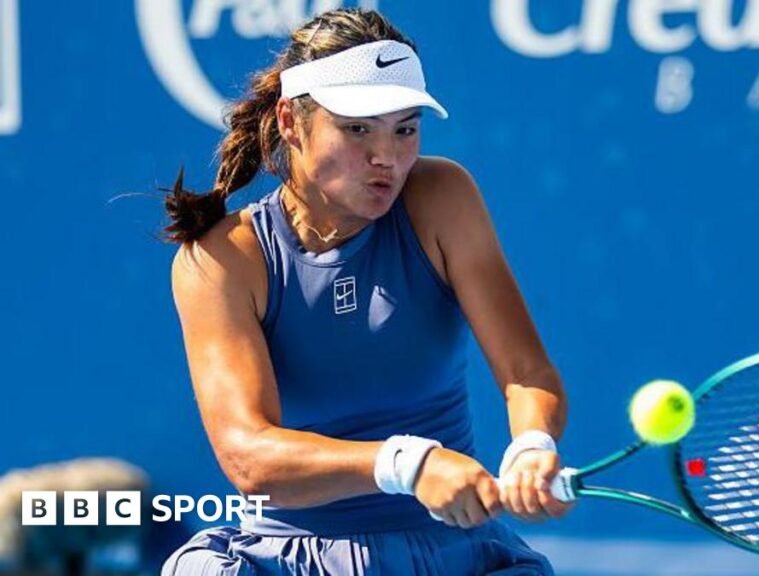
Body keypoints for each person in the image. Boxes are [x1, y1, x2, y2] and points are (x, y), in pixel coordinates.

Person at [161, 8, 568, 575]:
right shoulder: (223, 259)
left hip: (455, 553)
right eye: (358, 129)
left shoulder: (442, 196)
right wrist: (410, 464)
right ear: (290, 120)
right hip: (284, 558)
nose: (388, 157)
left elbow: (527, 371)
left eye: (405, 128)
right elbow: (250, 457)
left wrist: (532, 446)